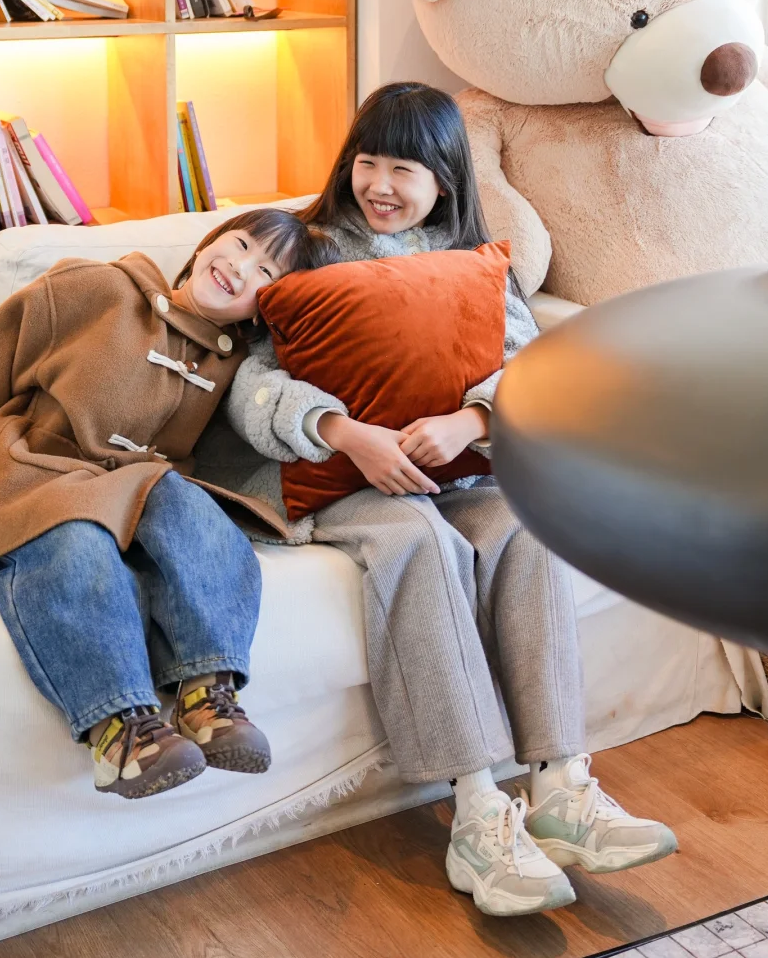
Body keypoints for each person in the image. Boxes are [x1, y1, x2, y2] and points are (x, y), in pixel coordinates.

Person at [224, 84, 678, 916]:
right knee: (419, 542)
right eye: (367, 162)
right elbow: (247, 388)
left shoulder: (475, 262)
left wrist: (470, 419)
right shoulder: (305, 249)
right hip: (345, 480)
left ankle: (561, 789)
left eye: (404, 169)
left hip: (460, 473)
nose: (379, 184)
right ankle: (476, 810)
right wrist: (344, 432)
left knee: (526, 528)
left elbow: (531, 369)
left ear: (445, 180)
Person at [0, 209, 337, 801]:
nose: (240, 267)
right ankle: (120, 732)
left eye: (264, 272)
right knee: (76, 547)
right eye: (239, 244)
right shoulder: (97, 287)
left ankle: (207, 697)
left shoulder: (233, 365)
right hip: (39, 472)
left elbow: (263, 432)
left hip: (138, 488)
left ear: (264, 309)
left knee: (198, 515)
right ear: (205, 245)